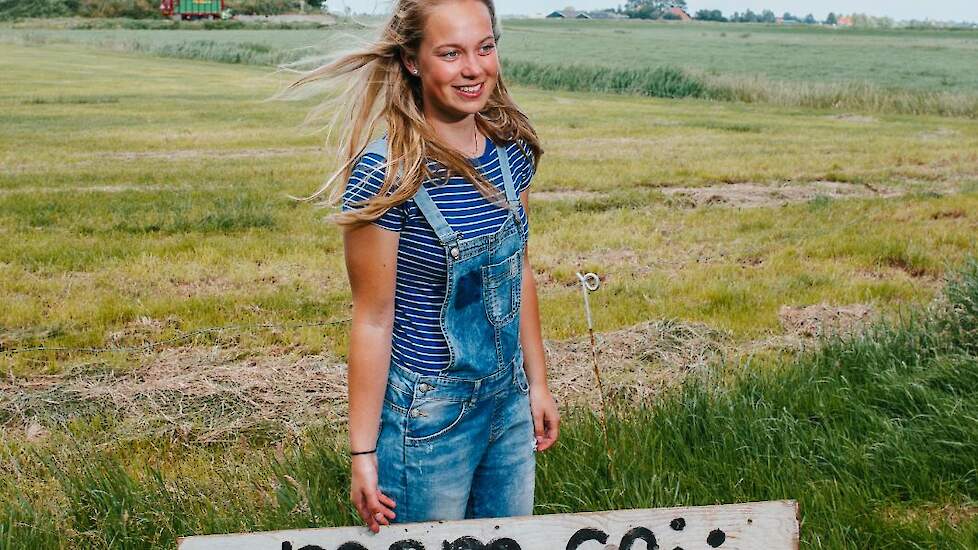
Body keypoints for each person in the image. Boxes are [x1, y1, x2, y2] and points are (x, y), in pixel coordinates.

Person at [288, 0, 559, 533]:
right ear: (413, 61)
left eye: (485, 48)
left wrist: (538, 384)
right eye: (450, 53)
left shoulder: (512, 154)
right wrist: (362, 454)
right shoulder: (389, 174)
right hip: (430, 418)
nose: (473, 68)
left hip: (508, 405)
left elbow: (518, 271)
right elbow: (372, 318)